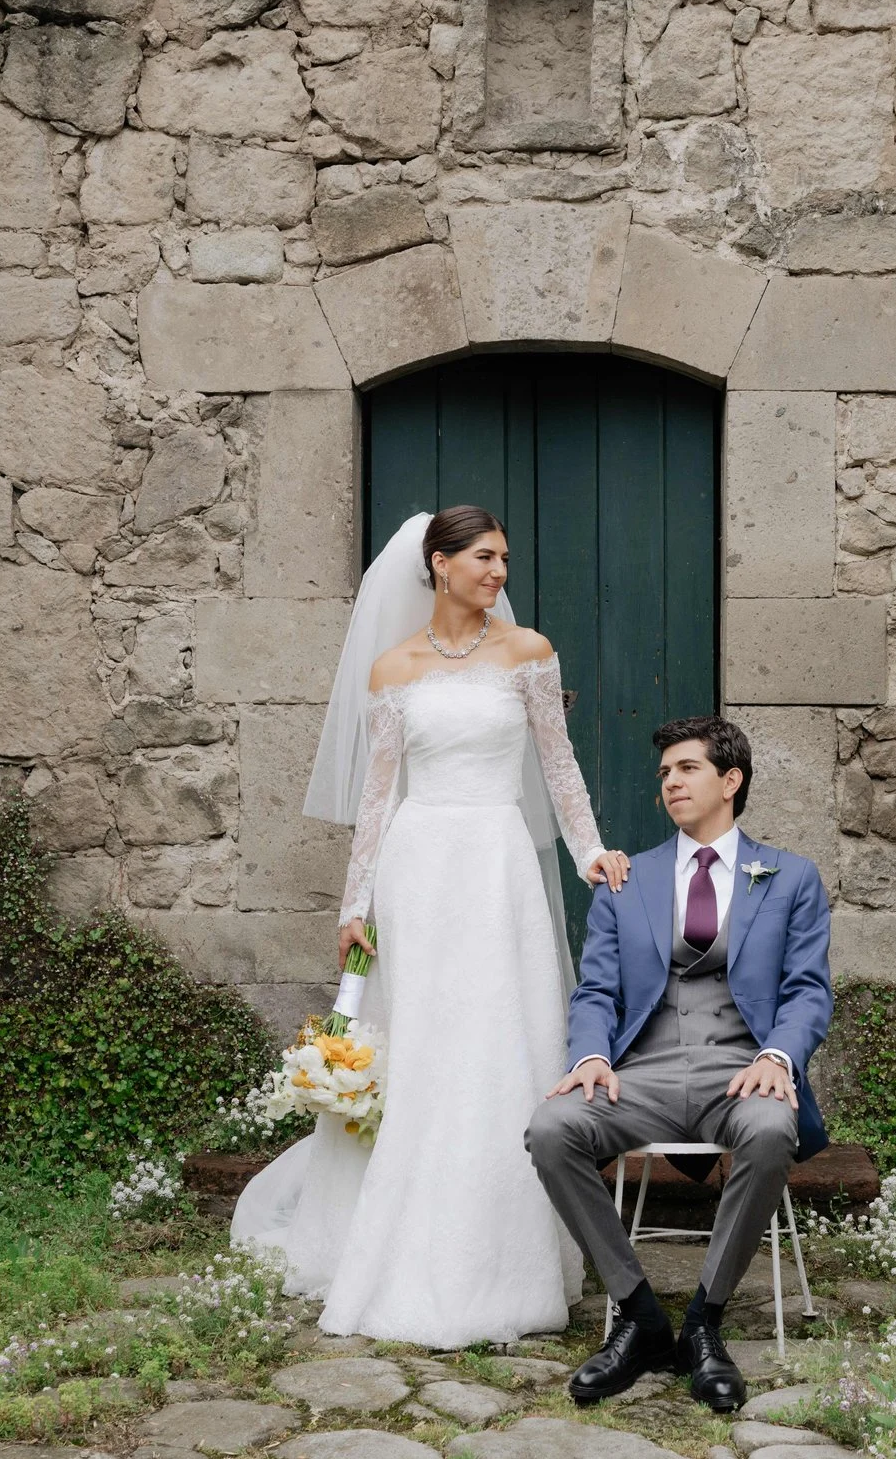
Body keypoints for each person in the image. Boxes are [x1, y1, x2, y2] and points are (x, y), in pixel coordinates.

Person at [230, 506, 630, 1348]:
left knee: (497, 1046)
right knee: (426, 1048)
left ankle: (509, 1261)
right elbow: (378, 799)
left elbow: (558, 767)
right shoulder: (393, 669)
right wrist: (353, 907)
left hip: (496, 864)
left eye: (505, 558)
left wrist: (591, 851)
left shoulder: (529, 655)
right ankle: (405, 1247)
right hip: (419, 869)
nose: (499, 573)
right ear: (439, 565)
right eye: (484, 557)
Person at [526, 715, 833, 1413]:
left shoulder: (792, 877)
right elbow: (597, 989)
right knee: (551, 1128)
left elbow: (807, 989)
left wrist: (777, 1055)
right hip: (646, 1072)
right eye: (664, 772)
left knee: (768, 1127)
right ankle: (638, 1314)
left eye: (687, 768)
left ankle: (704, 1320)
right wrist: (593, 1055)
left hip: (741, 1067)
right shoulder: (625, 877)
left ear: (731, 780)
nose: (670, 782)